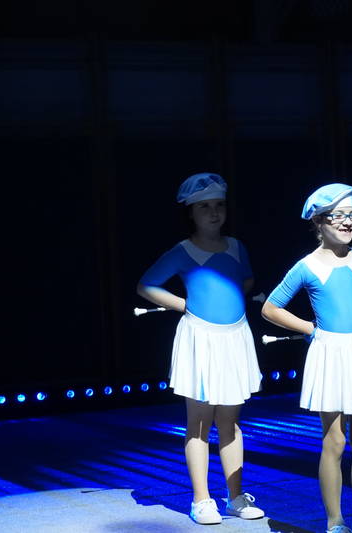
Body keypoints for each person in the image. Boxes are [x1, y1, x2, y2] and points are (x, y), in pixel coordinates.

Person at [261, 183, 352, 533]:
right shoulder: (306, 266)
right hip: (329, 352)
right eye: (338, 216)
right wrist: (310, 328)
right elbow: (271, 308)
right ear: (318, 221)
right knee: (334, 440)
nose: (348, 222)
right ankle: (335, 521)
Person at [137, 173, 265, 525]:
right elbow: (147, 285)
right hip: (200, 338)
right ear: (191, 213)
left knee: (231, 424)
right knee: (198, 424)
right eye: (204, 206)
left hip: (235, 337)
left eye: (219, 205)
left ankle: (235, 497)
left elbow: (247, 278)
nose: (213, 212)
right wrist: (185, 305)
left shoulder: (237, 246)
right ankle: (201, 500)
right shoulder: (182, 251)